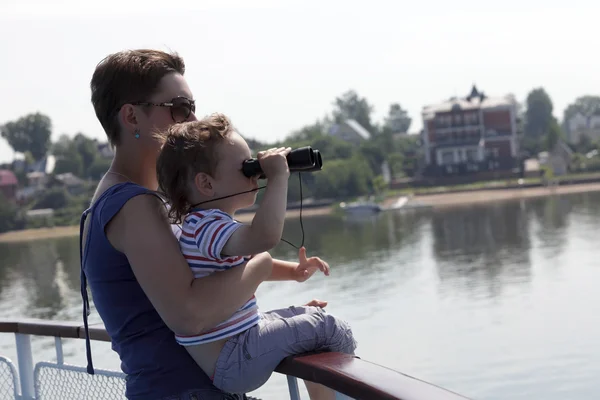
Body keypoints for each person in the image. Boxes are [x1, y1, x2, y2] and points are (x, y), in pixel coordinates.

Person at [80, 49, 321, 400]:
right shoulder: (133, 206)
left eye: (193, 106)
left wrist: (279, 319)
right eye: (179, 107)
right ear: (131, 116)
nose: (193, 118)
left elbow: (198, 292)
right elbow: (191, 316)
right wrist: (262, 263)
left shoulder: (117, 200)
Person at [154, 113, 358, 399]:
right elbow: (263, 239)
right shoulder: (207, 225)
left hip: (235, 350)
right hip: (234, 358)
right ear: (207, 184)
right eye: (246, 167)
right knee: (331, 327)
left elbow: (244, 264)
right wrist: (277, 177)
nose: (255, 172)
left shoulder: (202, 225)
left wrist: (292, 272)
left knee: (312, 316)